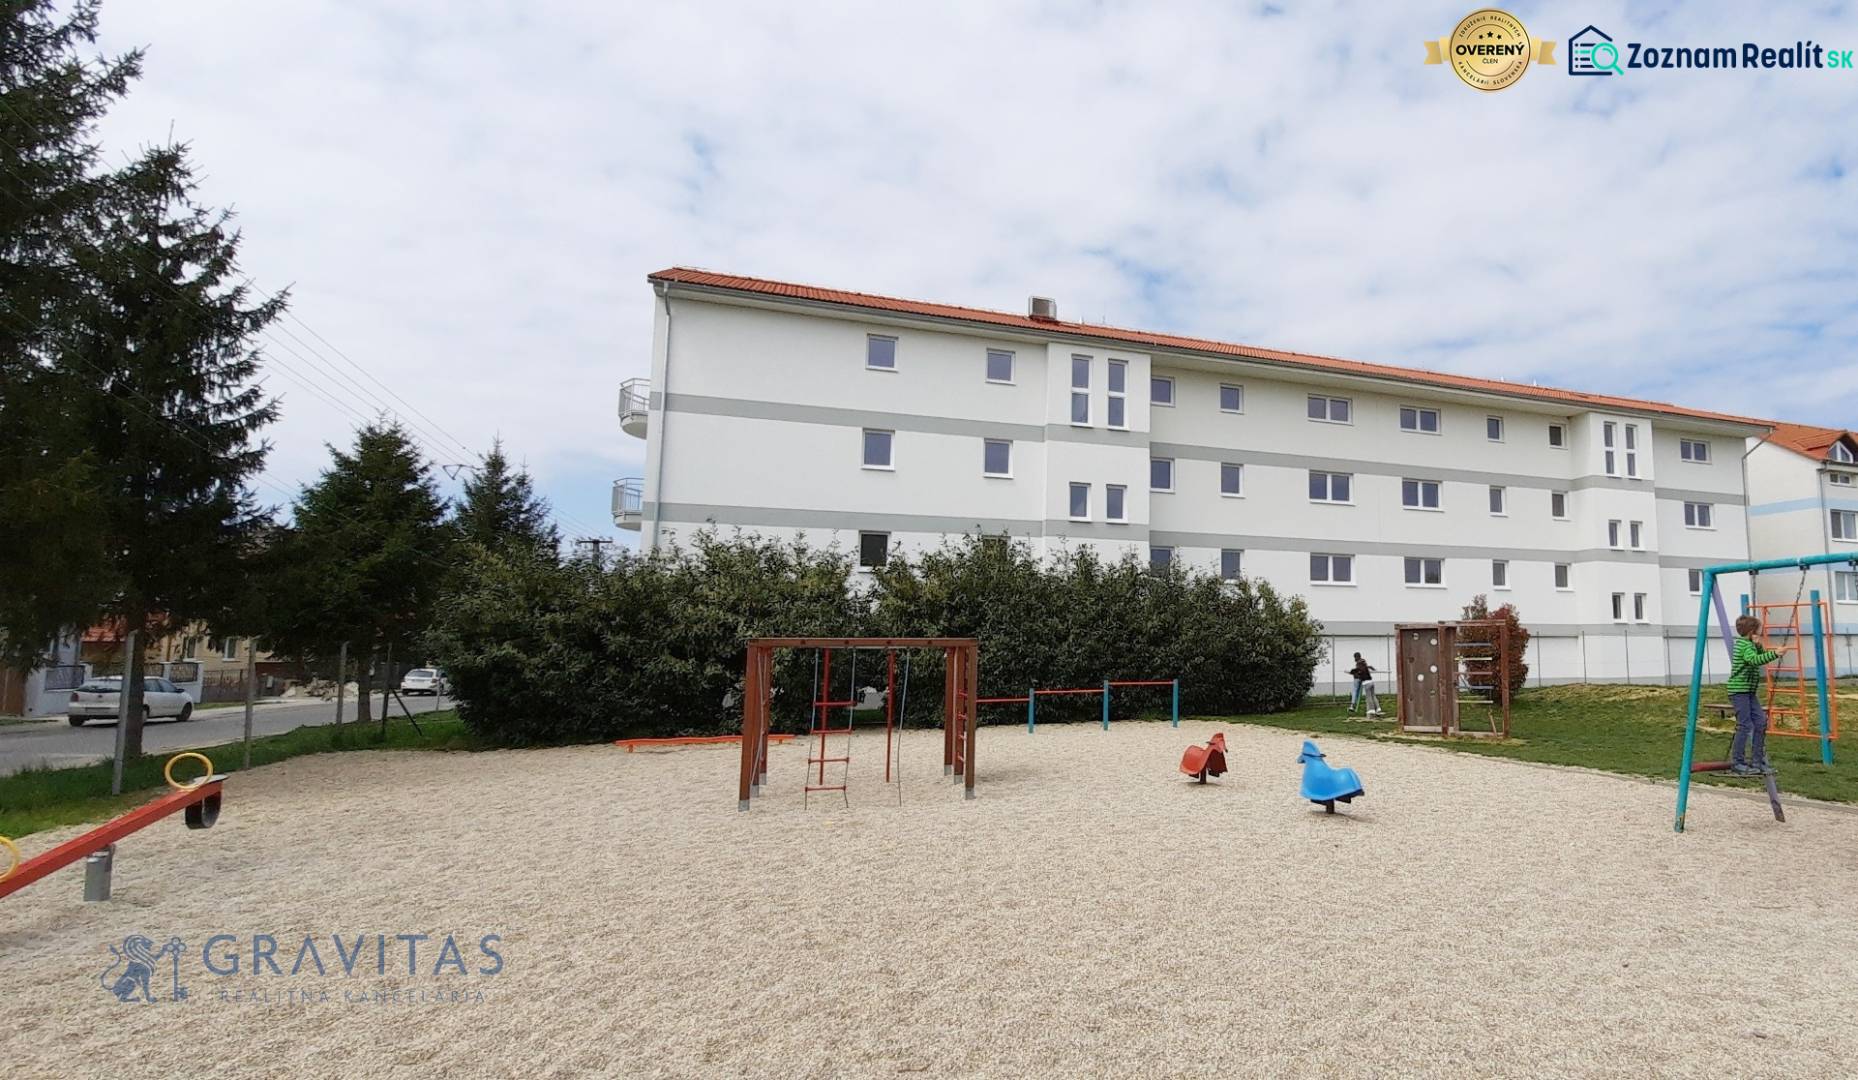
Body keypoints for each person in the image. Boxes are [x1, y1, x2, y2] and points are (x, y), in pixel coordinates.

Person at [1727, 615, 1782, 775]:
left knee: (1760, 722)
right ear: (1752, 631)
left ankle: (1757, 761)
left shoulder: (1749, 644)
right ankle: (1738, 762)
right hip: (1739, 691)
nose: (1761, 632)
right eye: (1759, 630)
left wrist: (1758, 645)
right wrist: (1775, 654)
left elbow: (1757, 655)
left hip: (1749, 691)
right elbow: (1754, 660)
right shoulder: (1743, 645)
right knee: (1744, 725)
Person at [1347, 653, 1382, 718]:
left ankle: (1371, 710)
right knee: (1373, 696)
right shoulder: (1364, 664)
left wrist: (1353, 672)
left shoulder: (1359, 666)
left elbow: (1357, 671)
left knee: (1369, 697)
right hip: (1371, 682)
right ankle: (1378, 709)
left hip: (1366, 683)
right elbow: (1367, 667)